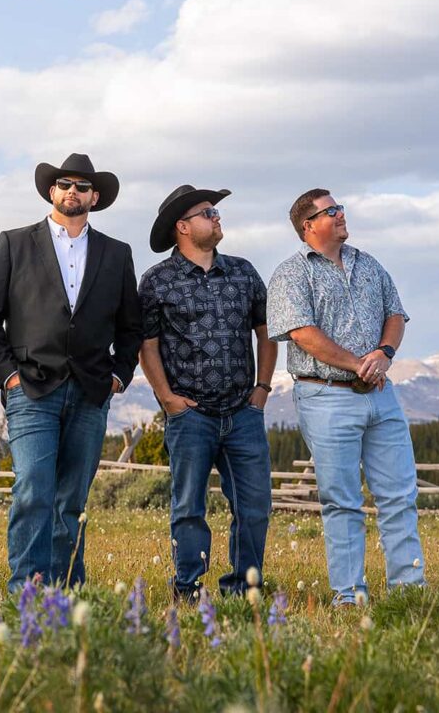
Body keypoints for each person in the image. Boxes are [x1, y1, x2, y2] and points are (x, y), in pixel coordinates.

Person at [0, 153, 143, 591]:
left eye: (82, 186)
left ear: (95, 197)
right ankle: (26, 591)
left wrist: (118, 376)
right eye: (65, 184)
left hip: (91, 390)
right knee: (33, 488)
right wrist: (8, 377)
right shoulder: (14, 243)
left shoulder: (116, 252)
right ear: (52, 192)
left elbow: (131, 327)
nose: (73, 191)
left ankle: (67, 587)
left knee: (72, 499)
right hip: (30, 389)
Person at [267, 188, 425, 606]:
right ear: (308, 225)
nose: (341, 215)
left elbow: (395, 313)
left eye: (340, 208)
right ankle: (349, 596)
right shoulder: (291, 274)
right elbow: (302, 333)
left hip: (380, 394)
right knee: (342, 502)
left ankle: (408, 594)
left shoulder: (368, 264)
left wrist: (384, 354)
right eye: (331, 211)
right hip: (326, 396)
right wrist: (358, 363)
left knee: (400, 496)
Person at [138, 184, 276, 600]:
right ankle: (187, 586)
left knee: (254, 507)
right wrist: (167, 400)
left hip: (243, 412)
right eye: (207, 212)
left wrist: (263, 389)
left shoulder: (243, 272)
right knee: (188, 509)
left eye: (216, 212)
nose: (217, 217)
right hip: (190, 414)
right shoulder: (157, 281)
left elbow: (266, 332)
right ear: (183, 226)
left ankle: (244, 587)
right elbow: (147, 345)